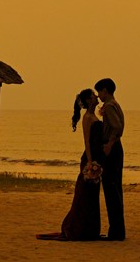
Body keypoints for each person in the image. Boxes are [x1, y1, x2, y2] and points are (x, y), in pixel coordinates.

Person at [36, 88, 104, 241]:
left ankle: (90, 229)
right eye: (93, 95)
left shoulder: (94, 116)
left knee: (92, 196)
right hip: (90, 159)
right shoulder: (87, 118)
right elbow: (87, 141)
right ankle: (78, 228)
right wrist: (90, 162)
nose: (96, 96)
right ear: (88, 100)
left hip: (96, 159)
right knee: (84, 195)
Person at [95, 77, 125, 240]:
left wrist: (110, 144)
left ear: (105, 91)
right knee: (115, 189)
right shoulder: (115, 104)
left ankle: (116, 232)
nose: (98, 96)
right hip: (115, 148)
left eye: (99, 92)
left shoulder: (109, 106)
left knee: (111, 189)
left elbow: (117, 127)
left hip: (112, 149)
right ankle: (118, 231)